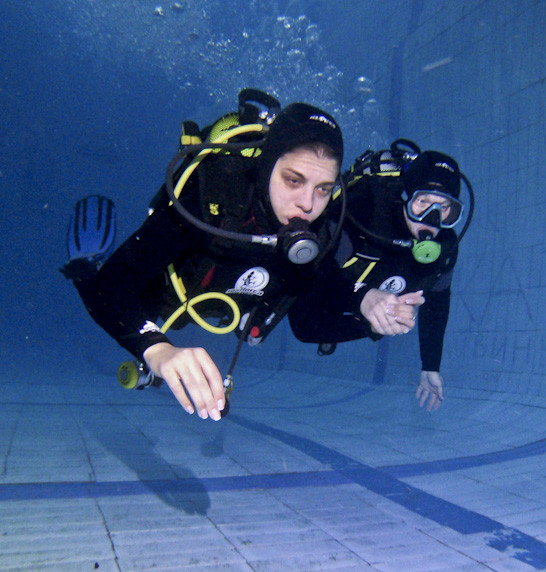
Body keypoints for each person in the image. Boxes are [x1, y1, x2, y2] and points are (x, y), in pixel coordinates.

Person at [61, 91, 422, 421]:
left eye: (324, 189)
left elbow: (312, 308)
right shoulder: (215, 200)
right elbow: (111, 286)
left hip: (229, 304)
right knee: (104, 286)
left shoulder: (322, 225)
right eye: (293, 180)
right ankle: (82, 264)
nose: (308, 205)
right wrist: (156, 348)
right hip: (168, 296)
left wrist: (367, 302)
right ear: (266, 168)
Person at [288, 141, 472, 412]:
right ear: (405, 197)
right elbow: (313, 277)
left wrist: (430, 366)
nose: (431, 219)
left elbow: (437, 301)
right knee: (305, 325)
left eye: (445, 208)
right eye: (422, 202)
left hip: (371, 290)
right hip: (330, 285)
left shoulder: (445, 246)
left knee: (385, 325)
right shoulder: (364, 209)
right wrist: (363, 297)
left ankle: (372, 319)